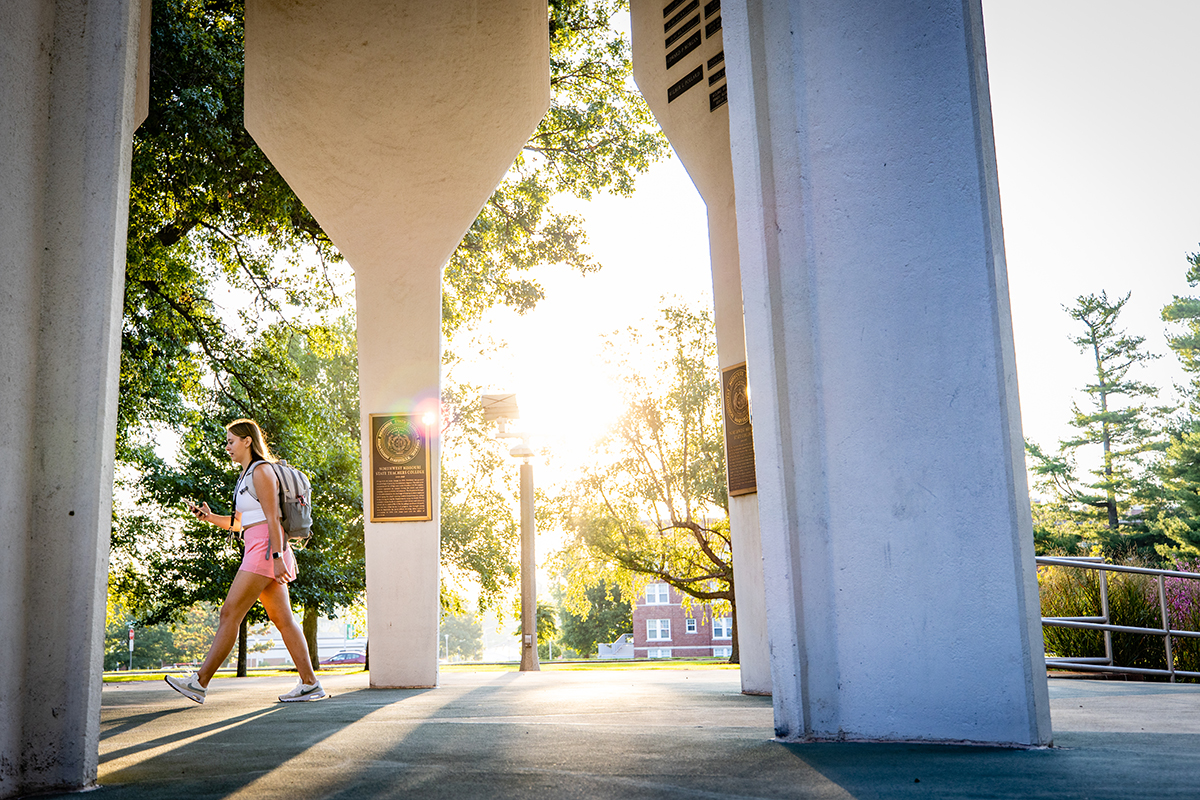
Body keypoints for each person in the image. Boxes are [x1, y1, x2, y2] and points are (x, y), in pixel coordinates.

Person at [165, 418, 327, 704]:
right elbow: (240, 523)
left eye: (231, 441)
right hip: (258, 546)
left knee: (229, 613)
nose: (227, 447)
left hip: (266, 549)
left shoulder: (262, 471)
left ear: (247, 441)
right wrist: (209, 516)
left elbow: (274, 518)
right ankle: (310, 683)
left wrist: (277, 557)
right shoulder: (244, 477)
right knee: (283, 619)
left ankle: (199, 683)